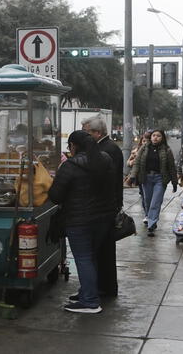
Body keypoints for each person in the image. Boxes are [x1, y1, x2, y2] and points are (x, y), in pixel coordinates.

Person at [49, 130, 114, 314]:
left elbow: (55, 196)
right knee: (90, 256)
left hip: (79, 220)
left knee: (84, 258)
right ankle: (87, 292)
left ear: (74, 146)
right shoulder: (106, 160)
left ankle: (90, 302)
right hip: (103, 218)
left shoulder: (70, 166)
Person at [82, 115, 123, 297]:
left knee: (104, 250)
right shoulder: (103, 147)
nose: (84, 137)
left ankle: (104, 288)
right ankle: (102, 286)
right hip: (105, 206)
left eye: (86, 132)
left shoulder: (108, 150)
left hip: (104, 208)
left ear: (97, 133)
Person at [126, 130, 177, 236]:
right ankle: (150, 218)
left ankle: (151, 224)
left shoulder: (167, 150)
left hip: (160, 179)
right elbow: (137, 164)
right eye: (154, 135)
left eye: (158, 136)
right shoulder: (144, 148)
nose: (155, 138)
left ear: (162, 138)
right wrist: (132, 177)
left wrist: (174, 182)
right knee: (148, 201)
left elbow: (172, 167)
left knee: (155, 202)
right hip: (146, 178)